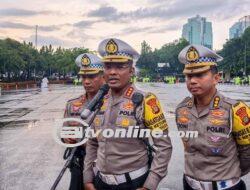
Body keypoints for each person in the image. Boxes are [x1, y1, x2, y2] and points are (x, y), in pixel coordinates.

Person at [84, 38, 172, 190]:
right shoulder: (99, 100)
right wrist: (87, 179)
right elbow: (93, 142)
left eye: (120, 66)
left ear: (131, 71)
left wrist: (150, 185)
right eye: (108, 66)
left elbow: (164, 147)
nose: (112, 72)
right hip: (100, 182)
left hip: (133, 182)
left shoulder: (145, 100)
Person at [176, 44, 250, 190]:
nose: (192, 81)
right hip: (189, 185)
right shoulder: (181, 109)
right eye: (189, 76)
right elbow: (189, 148)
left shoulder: (234, 109)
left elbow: (248, 154)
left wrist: (229, 173)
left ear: (216, 78)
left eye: (200, 75)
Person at [63, 53, 105, 189]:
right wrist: (67, 138)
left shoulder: (114, 103)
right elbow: (65, 132)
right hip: (78, 164)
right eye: (83, 76)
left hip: (105, 166)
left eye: (92, 76)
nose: (86, 81)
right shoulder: (72, 104)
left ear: (103, 76)